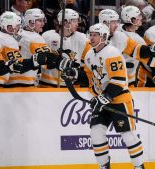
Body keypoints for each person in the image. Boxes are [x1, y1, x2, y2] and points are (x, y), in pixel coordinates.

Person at [60, 23, 146, 169]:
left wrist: (104, 97)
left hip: (119, 99)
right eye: (91, 34)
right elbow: (89, 78)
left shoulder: (112, 52)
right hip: (101, 101)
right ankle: (104, 166)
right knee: (96, 133)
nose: (91, 37)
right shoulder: (89, 54)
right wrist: (75, 74)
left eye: (95, 35)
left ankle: (139, 167)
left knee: (127, 135)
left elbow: (118, 80)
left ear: (104, 37)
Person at [41, 8, 91, 87]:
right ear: (65, 22)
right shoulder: (47, 36)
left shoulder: (83, 39)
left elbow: (89, 63)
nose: (77, 24)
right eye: (74, 21)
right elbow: (41, 60)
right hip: (48, 86)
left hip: (71, 87)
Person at [119, 5, 146, 86]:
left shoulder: (118, 28)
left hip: (118, 74)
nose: (141, 18)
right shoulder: (138, 40)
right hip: (129, 77)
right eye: (138, 16)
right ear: (132, 20)